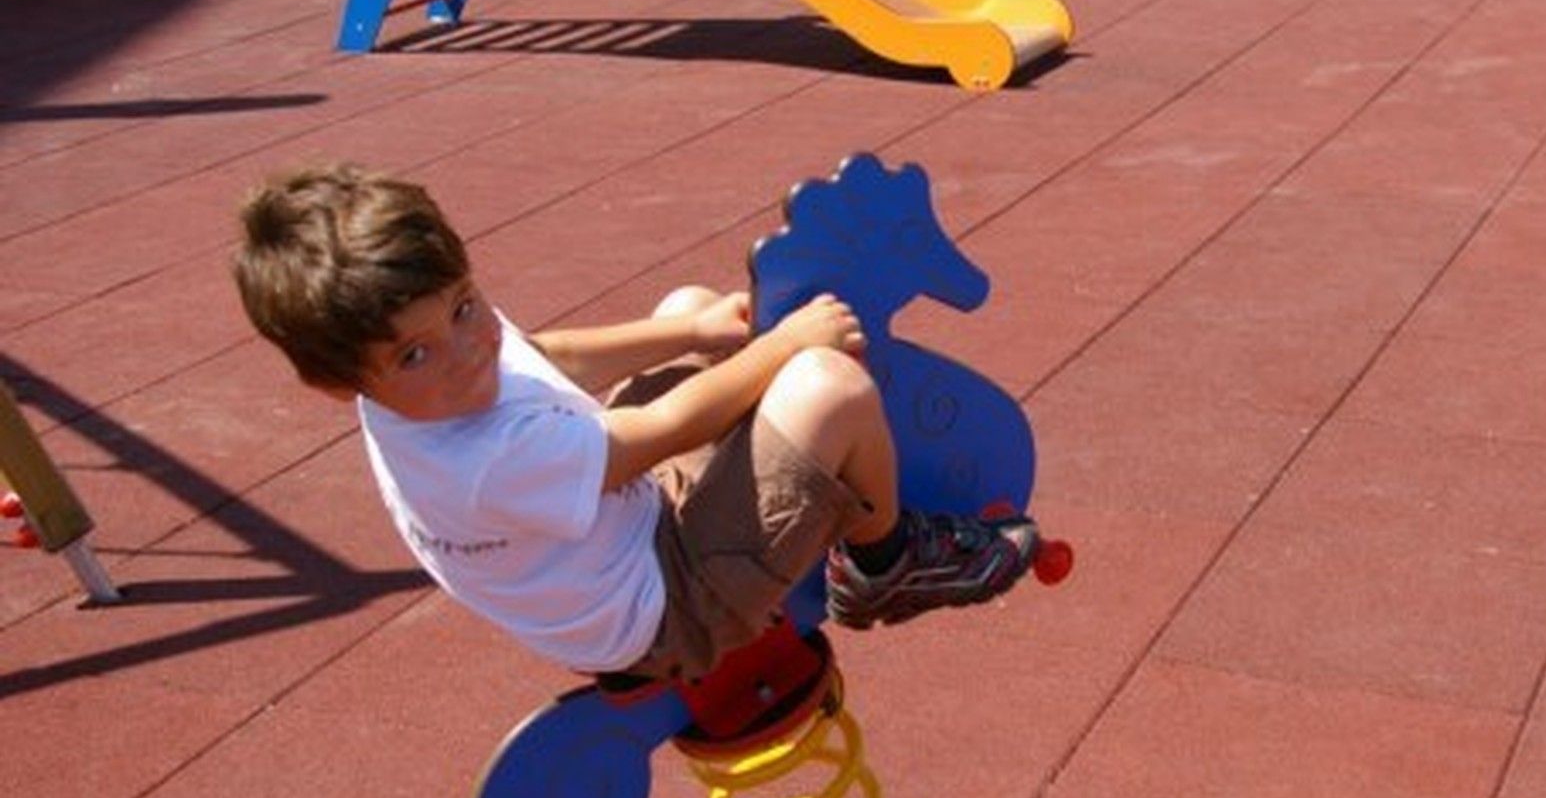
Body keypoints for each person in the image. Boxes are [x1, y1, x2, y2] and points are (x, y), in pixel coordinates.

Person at [230, 162, 1038, 683]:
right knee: (826, 382)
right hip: (661, 611)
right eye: (415, 355)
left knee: (691, 306)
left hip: (613, 524)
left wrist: (690, 333)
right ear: (337, 382)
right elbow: (659, 431)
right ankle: (885, 563)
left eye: (467, 308)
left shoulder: (438, 358)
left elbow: (545, 356)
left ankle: (789, 438)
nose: (467, 350)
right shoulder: (483, 456)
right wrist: (786, 347)